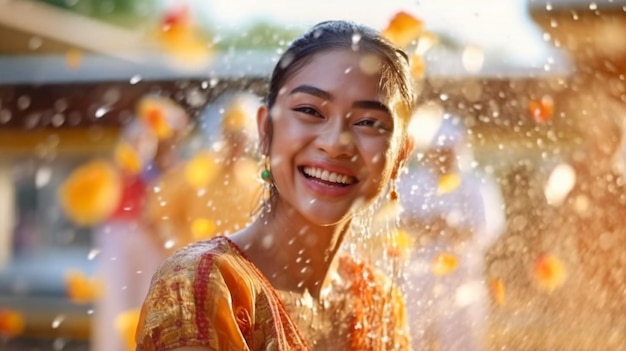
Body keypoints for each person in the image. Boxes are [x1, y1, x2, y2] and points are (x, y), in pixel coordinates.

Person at [135, 20, 417, 350]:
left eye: (369, 122)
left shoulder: (379, 303)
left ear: (401, 154)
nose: (335, 144)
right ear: (265, 132)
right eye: (310, 110)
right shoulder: (207, 288)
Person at [91, 95, 192, 351]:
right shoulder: (141, 137)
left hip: (149, 235)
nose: (177, 137)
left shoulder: (174, 162)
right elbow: (131, 166)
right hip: (123, 228)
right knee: (117, 304)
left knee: (148, 305)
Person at [398, 114, 505, 351]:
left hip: (462, 278)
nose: (441, 158)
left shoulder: (477, 185)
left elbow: (488, 228)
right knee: (411, 338)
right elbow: (395, 223)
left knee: (463, 340)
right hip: (417, 277)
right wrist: (427, 226)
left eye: (447, 152)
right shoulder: (411, 183)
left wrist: (450, 229)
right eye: (438, 151)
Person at [143, 92, 262, 254]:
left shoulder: (255, 177)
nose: (237, 144)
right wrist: (176, 254)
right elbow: (156, 216)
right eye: (232, 136)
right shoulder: (197, 171)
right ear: (221, 135)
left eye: (241, 137)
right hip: (198, 269)